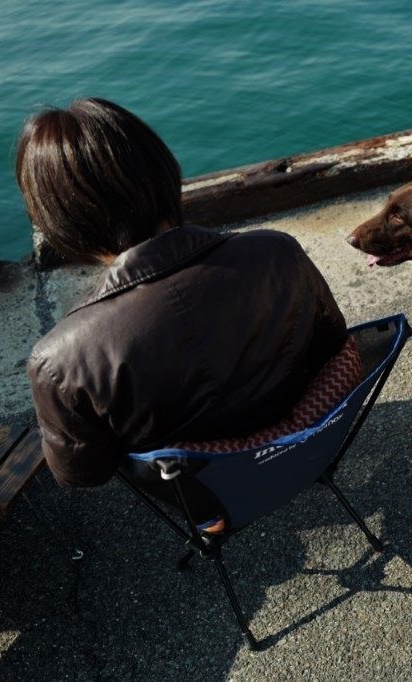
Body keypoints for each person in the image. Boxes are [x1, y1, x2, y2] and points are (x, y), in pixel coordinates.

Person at [18, 98, 349, 490]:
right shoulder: (277, 251)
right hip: (304, 449)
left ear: (62, 223)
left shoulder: (60, 360)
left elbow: (83, 474)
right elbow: (332, 344)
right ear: (162, 170)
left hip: (200, 493)